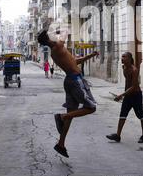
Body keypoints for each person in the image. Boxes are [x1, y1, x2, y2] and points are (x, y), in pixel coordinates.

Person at [37, 29, 99, 158]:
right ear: (48, 39)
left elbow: (73, 62)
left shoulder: (55, 52)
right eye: (51, 35)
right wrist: (57, 31)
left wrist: (90, 56)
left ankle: (61, 144)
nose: (54, 36)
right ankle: (61, 117)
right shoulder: (58, 46)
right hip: (76, 80)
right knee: (91, 108)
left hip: (69, 81)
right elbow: (65, 31)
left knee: (70, 114)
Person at [107, 52, 143, 144]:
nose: (122, 58)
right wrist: (124, 94)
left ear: (129, 59)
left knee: (140, 114)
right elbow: (127, 83)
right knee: (123, 114)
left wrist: (121, 95)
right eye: (122, 57)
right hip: (128, 95)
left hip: (136, 95)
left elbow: (133, 86)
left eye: (124, 57)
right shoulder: (124, 67)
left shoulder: (134, 70)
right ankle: (117, 135)